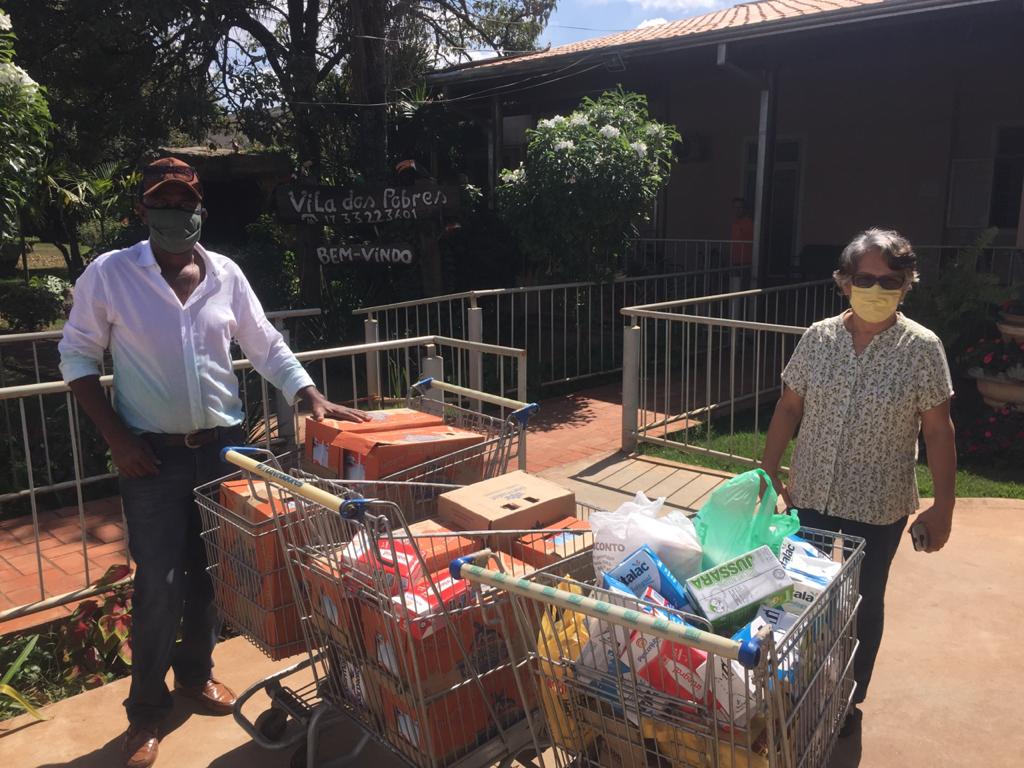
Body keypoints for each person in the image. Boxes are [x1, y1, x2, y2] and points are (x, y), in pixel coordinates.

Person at [58, 157, 368, 768]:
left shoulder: (225, 273)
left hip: (224, 449)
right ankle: (146, 712)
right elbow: (77, 359)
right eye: (163, 203)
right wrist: (118, 440)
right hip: (150, 457)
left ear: (200, 209)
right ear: (144, 211)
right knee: (158, 585)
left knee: (211, 576)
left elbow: (265, 343)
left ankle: (196, 676)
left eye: (186, 202)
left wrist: (307, 392)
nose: (177, 214)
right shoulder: (111, 275)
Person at [761, 228, 956, 738]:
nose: (877, 288)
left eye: (890, 280)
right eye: (865, 278)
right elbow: (789, 406)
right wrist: (768, 473)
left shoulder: (922, 349)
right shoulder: (819, 338)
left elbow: (938, 430)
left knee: (866, 599)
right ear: (844, 282)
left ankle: (848, 696)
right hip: (813, 494)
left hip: (879, 502)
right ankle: (796, 683)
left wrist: (943, 507)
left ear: (907, 284)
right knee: (801, 593)